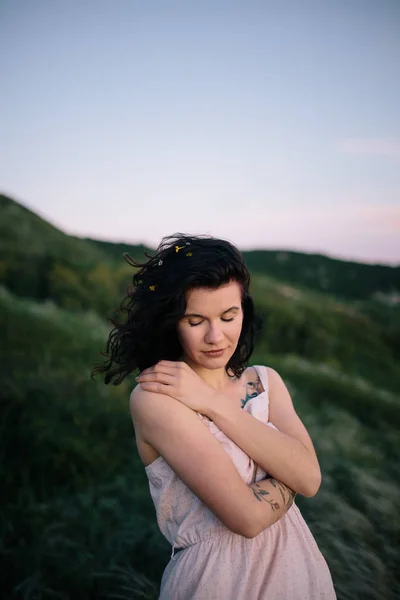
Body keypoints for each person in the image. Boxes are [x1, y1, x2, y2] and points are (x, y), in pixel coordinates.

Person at [94, 233, 336, 599]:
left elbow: (312, 479)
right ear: (171, 321)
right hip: (219, 581)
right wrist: (290, 469)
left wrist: (212, 402)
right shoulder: (156, 398)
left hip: (299, 572)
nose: (216, 336)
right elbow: (248, 518)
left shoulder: (266, 381)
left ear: (244, 309)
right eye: (195, 321)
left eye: (228, 316)